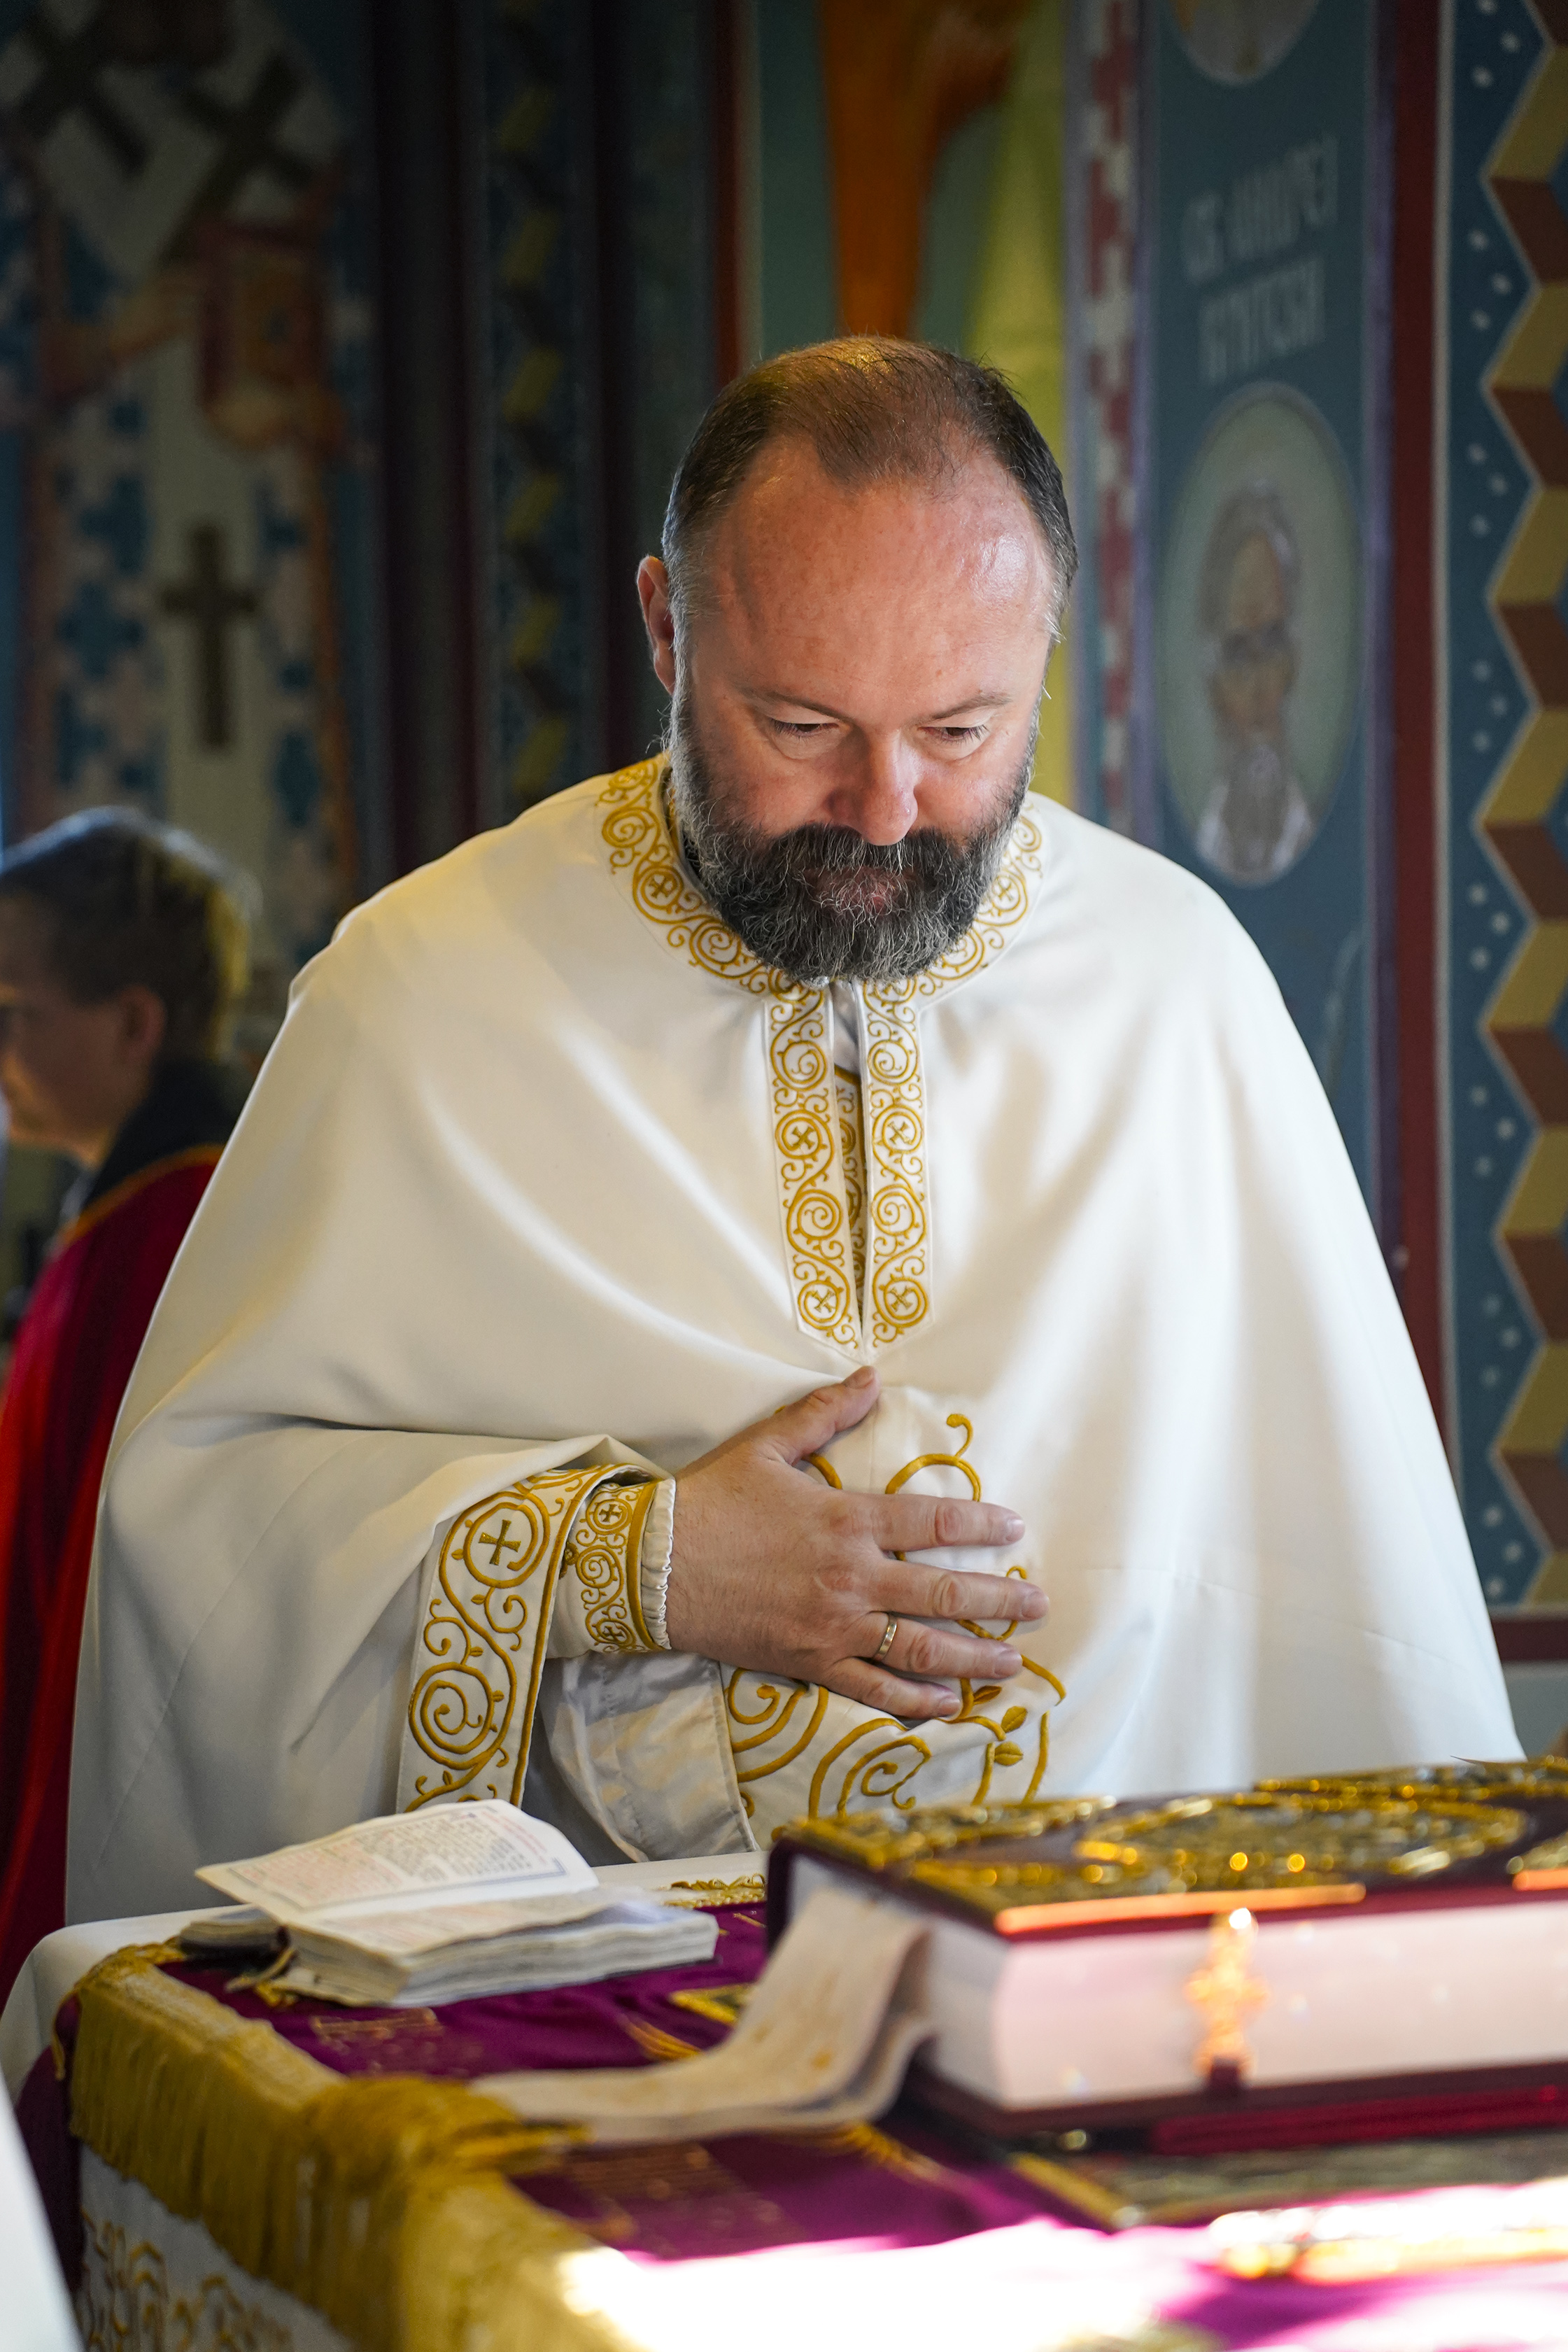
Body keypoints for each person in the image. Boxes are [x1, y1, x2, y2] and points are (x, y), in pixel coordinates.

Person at [69, 340, 1515, 1925]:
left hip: (1101, 1963)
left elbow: (1336, 1590)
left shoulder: (1178, 992)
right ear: (666, 628)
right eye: (803, 723)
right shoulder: (424, 993)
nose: (885, 810)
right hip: (588, 1991)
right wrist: (639, 1561)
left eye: (960, 731)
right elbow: (209, 1543)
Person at [0, 810, 248, 1993]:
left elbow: (126, 1584)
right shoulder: (117, 1207)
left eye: (15, 1013)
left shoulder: (173, 1229)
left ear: (134, 1024)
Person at [1193, 484, 1315, 885]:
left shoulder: (1313, 837)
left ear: (1293, 664)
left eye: (1273, 644)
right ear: (1213, 681)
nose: (1260, 690)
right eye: (1239, 655)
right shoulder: (1200, 846)